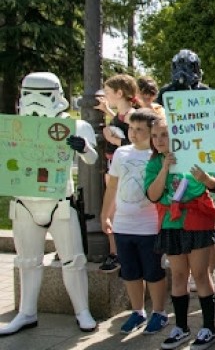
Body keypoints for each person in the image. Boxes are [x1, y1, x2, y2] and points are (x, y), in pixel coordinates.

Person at [0, 72, 98, 336]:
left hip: (59, 202)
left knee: (74, 260)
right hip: (24, 202)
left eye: (42, 94)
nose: (35, 100)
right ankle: (26, 312)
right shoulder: (14, 126)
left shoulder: (73, 125)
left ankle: (82, 311)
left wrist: (83, 147)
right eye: (29, 93)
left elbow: (92, 158)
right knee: (27, 261)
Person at [146, 118, 215, 350]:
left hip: (196, 222)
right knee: (178, 276)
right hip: (171, 223)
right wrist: (165, 168)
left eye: (165, 135)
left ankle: (209, 327)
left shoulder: (195, 155)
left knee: (199, 275)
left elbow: (214, 183)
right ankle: (181, 327)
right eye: (155, 135)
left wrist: (203, 178)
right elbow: (153, 195)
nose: (159, 140)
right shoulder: (154, 163)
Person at [101, 108, 168, 335]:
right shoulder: (121, 153)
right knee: (130, 271)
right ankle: (137, 311)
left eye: (140, 129)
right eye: (131, 128)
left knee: (153, 271)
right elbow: (112, 185)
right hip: (123, 224)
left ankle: (158, 312)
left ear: (151, 132)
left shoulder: (157, 155)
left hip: (149, 226)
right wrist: (105, 215)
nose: (134, 133)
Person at [96, 73, 141, 271]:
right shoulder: (123, 114)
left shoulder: (131, 115)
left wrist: (114, 141)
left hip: (123, 169)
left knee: (116, 211)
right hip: (114, 166)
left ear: (119, 93)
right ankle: (117, 252)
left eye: (108, 92)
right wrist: (106, 111)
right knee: (114, 211)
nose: (105, 95)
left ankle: (117, 254)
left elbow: (137, 142)